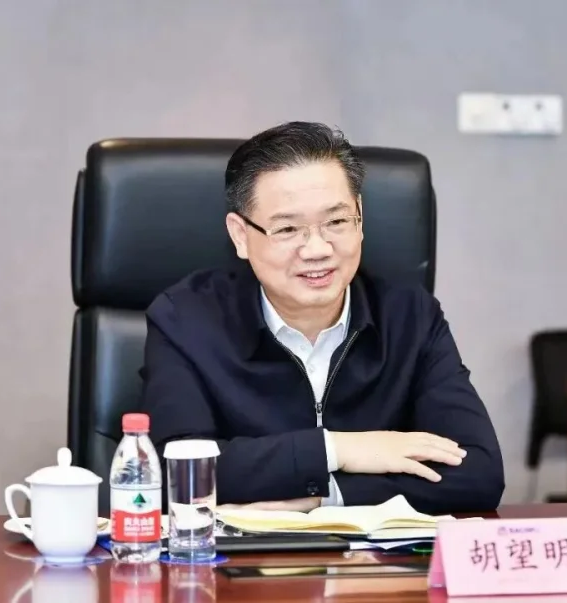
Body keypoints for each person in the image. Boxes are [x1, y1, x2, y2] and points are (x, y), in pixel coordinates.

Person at [140, 121, 504, 514]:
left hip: (375, 556)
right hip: (235, 554)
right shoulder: (186, 320)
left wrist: (324, 496)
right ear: (241, 235)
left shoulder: (410, 318)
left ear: (360, 217)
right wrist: (338, 449)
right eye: (288, 229)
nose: (317, 249)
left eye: (336, 222)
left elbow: (478, 472)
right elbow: (173, 471)